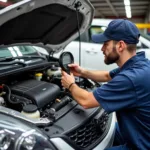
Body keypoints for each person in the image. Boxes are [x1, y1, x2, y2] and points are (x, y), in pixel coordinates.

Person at [61, 19, 150, 150]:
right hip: (141, 130)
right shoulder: (139, 64)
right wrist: (82, 72)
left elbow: (86, 101)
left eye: (105, 44)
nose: (102, 48)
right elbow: (107, 76)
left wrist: (70, 85)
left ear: (120, 46)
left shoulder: (130, 78)